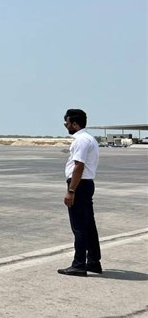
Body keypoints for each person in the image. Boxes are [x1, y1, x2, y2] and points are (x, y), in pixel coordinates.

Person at [57, 109, 102, 277]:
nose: (66, 126)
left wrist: (71, 190)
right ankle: (93, 261)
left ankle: (79, 264)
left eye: (66, 123)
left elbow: (78, 166)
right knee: (89, 225)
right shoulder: (89, 138)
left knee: (79, 227)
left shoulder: (81, 140)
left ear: (75, 124)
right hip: (87, 184)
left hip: (79, 185)